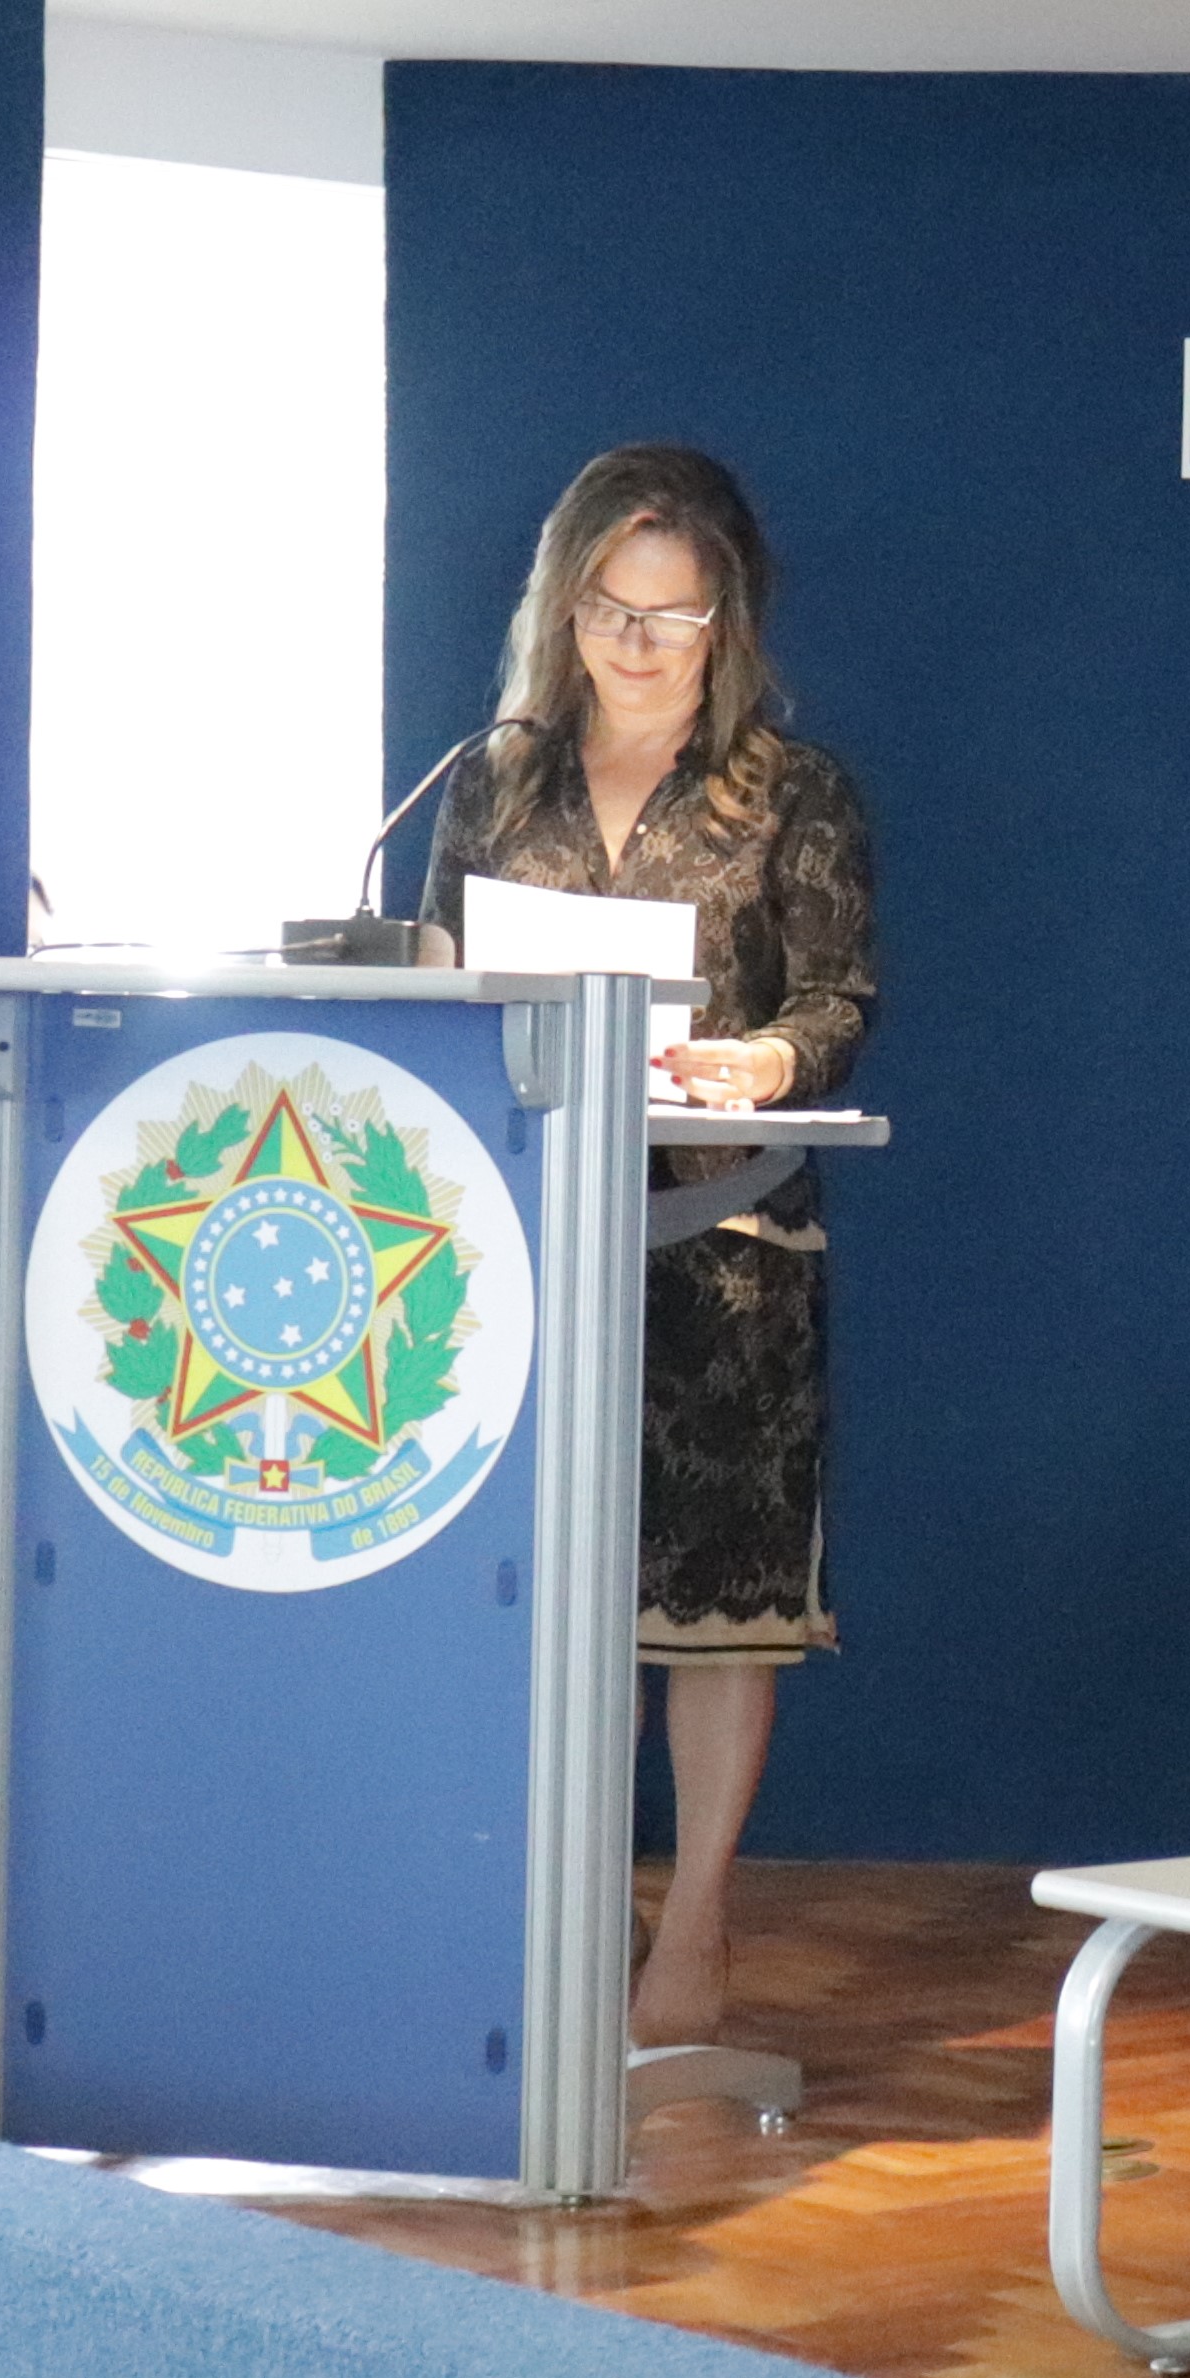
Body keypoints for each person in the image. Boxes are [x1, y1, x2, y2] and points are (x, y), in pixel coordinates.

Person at [423, 443, 878, 2055]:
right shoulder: (494, 783)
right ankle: (570, 1909)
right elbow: (436, 980)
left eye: (672, 617)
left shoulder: (793, 791)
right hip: (533, 1244)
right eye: (609, 609)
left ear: (725, 623)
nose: (636, 643)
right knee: (559, 1602)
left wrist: (763, 1060)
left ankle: (695, 1925)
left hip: (724, 1252)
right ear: (562, 609)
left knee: (708, 1612)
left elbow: (837, 1003)